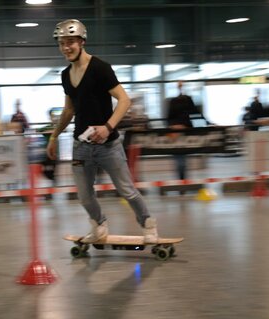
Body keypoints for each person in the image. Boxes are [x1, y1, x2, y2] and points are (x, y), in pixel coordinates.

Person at [46, 19, 158, 244]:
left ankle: (148, 224)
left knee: (127, 191)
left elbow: (124, 100)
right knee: (85, 197)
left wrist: (108, 128)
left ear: (82, 41)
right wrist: (54, 135)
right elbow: (69, 110)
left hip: (108, 146)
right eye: (62, 43)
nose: (66, 47)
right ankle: (99, 226)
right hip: (81, 146)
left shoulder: (100, 68)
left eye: (70, 42)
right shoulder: (65, 75)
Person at [166, 81, 197, 181]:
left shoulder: (175, 101)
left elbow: (169, 117)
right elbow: (195, 112)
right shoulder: (187, 100)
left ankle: (181, 179)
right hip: (183, 130)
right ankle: (182, 179)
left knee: (179, 157)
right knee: (181, 158)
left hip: (176, 130)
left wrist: (172, 127)